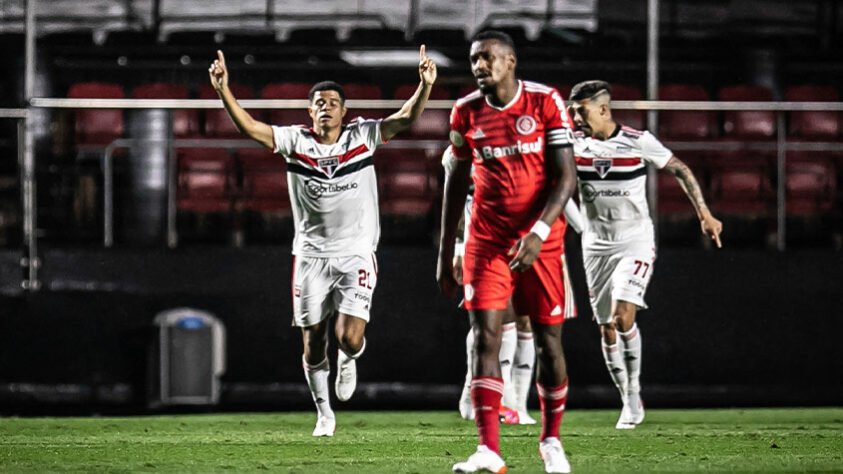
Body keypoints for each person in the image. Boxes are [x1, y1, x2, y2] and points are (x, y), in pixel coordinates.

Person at [208, 47, 437, 436]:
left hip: (356, 253)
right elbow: (250, 127)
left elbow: (405, 118)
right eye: (319, 103)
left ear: (344, 111)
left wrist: (424, 86)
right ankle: (324, 414)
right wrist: (223, 90)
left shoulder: (362, 135)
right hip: (311, 256)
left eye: (333, 102)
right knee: (313, 343)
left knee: (347, 337)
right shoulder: (294, 142)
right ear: (309, 111)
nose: (326, 107)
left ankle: (349, 358)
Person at [437, 31, 578, 474]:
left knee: (549, 340)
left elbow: (566, 177)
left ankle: (551, 440)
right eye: (474, 59)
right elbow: (457, 181)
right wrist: (446, 252)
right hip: (487, 241)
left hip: (542, 241)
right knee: (485, 338)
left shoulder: (545, 103)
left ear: (511, 60)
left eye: (488, 58)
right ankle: (488, 449)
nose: (480, 65)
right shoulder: (464, 113)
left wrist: (538, 232)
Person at [566, 80, 723, 429]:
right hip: (595, 246)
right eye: (572, 110)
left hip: (634, 240)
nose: (575, 116)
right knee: (606, 328)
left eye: (581, 110)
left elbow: (680, 168)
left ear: (603, 109)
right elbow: (556, 187)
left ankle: (634, 391)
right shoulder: (572, 144)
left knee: (624, 316)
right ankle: (626, 396)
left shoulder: (638, 141)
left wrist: (704, 213)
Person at [444, 147, 583, 426]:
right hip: (485, 243)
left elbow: (559, 185)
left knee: (526, 323)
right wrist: (458, 247)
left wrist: (583, 227)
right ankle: (493, 396)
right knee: (493, 320)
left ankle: (517, 403)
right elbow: (458, 201)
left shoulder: (530, 145)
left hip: (529, 242)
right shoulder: (459, 152)